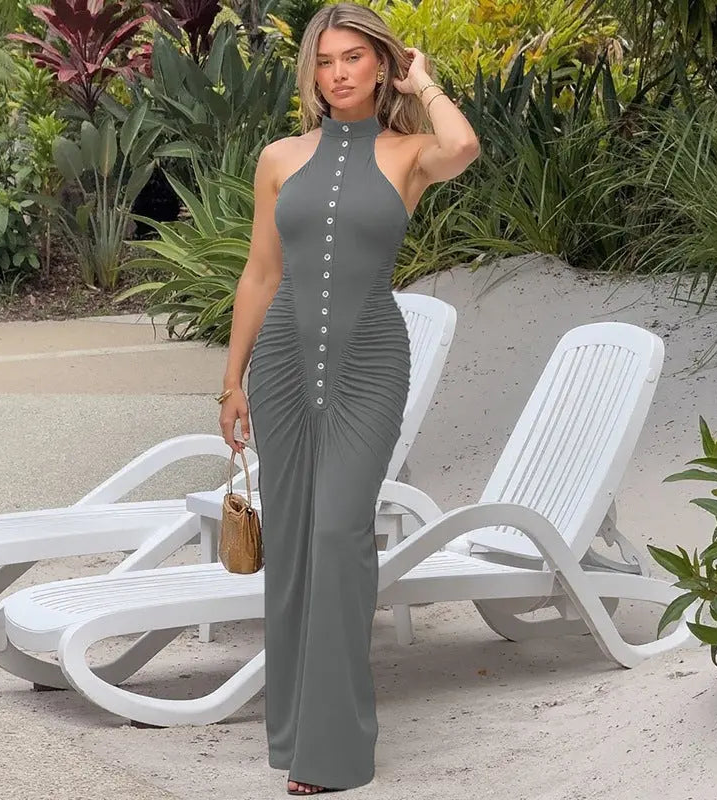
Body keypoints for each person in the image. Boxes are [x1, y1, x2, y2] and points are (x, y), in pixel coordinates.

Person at [217, 3, 479, 793]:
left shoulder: (410, 153)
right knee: (295, 543)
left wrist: (424, 83)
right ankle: (296, 733)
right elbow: (261, 273)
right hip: (282, 367)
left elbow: (464, 146)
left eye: (354, 58)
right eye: (325, 61)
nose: (337, 74)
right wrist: (232, 380)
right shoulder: (279, 158)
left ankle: (336, 750)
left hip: (370, 363)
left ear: (382, 65)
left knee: (338, 532)